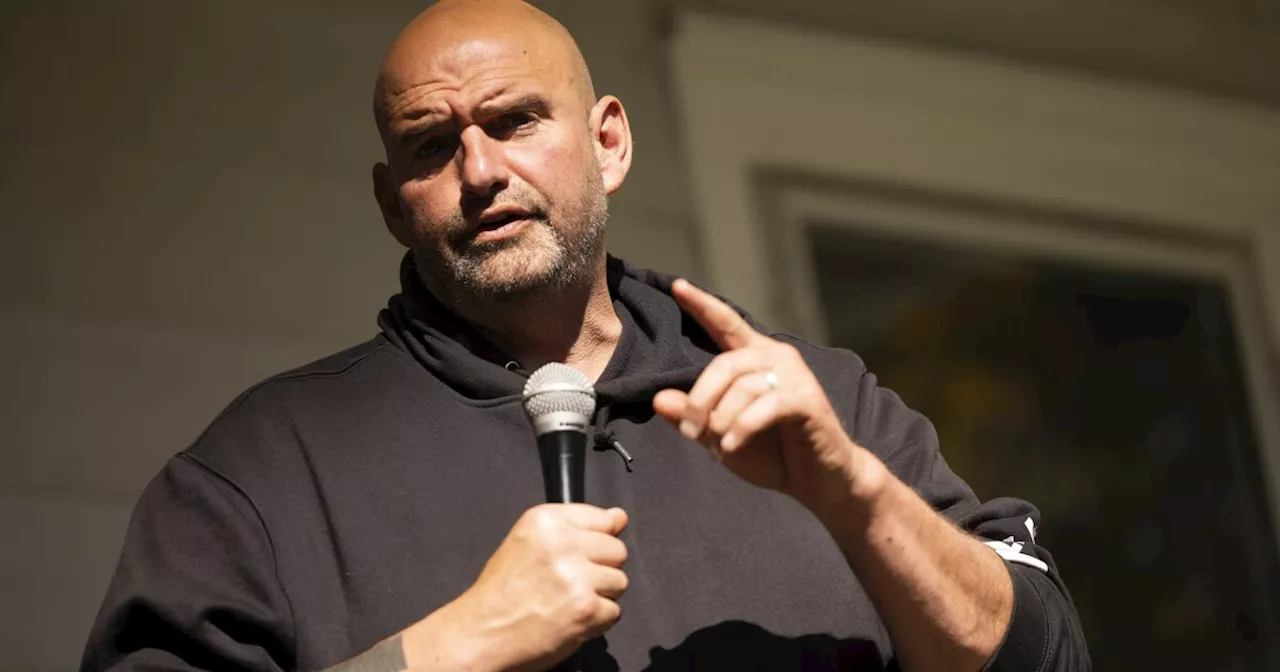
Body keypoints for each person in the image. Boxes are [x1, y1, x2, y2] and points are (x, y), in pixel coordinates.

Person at [81, 1, 1090, 670]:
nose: (480, 172)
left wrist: (856, 498)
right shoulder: (261, 475)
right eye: (432, 146)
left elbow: (1044, 658)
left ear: (607, 142)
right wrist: (451, 648)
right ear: (394, 204)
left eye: (516, 121)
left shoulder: (816, 402)